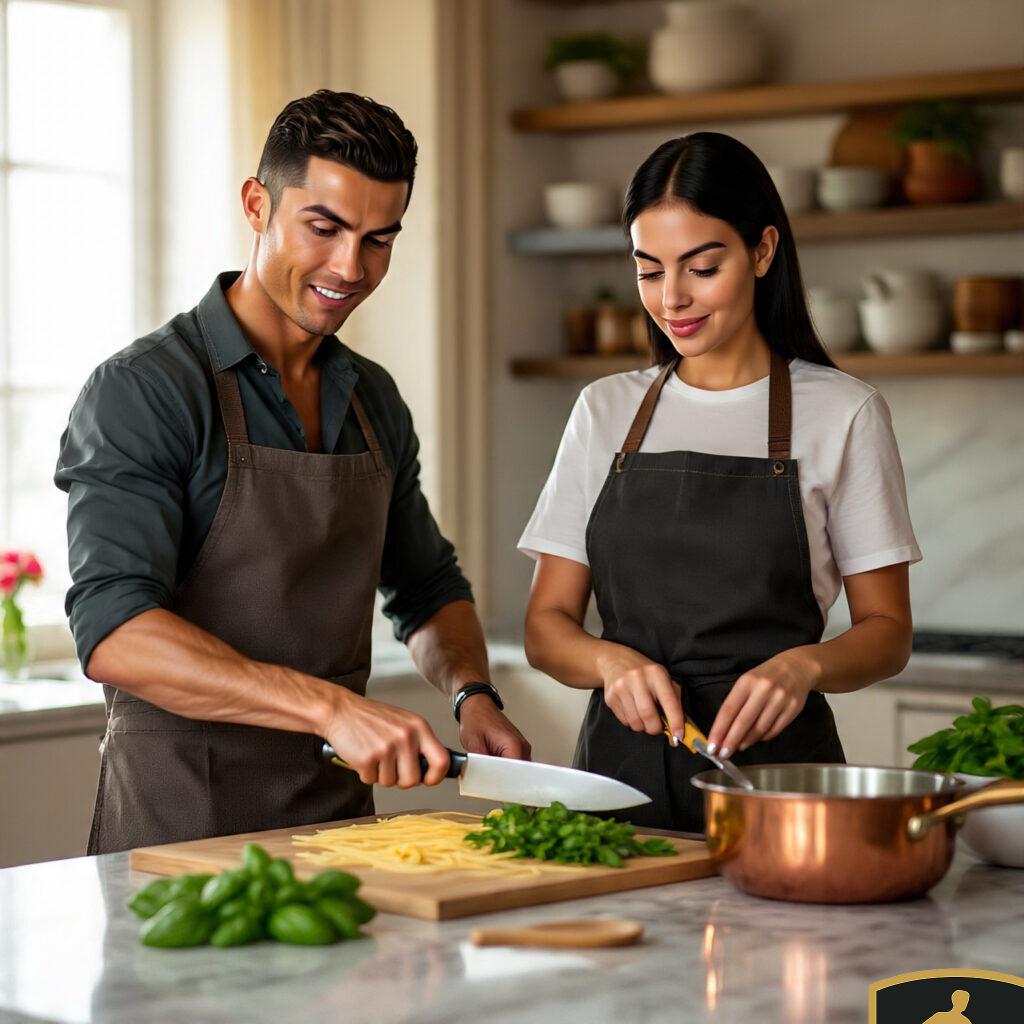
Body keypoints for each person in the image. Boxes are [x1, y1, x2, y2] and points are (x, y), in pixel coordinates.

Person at [56, 90, 528, 854]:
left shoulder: (372, 397)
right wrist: (328, 708)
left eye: (379, 239)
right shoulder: (145, 390)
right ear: (256, 204)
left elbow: (426, 586)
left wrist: (473, 692)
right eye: (324, 227)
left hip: (338, 828)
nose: (351, 267)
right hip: (178, 834)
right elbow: (115, 631)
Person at [520, 132, 919, 831]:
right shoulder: (605, 410)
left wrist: (803, 668)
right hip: (620, 791)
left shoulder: (843, 411)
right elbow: (547, 629)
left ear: (763, 251)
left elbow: (887, 631)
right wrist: (609, 663)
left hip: (778, 791)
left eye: (702, 267)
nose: (672, 298)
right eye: (649, 271)